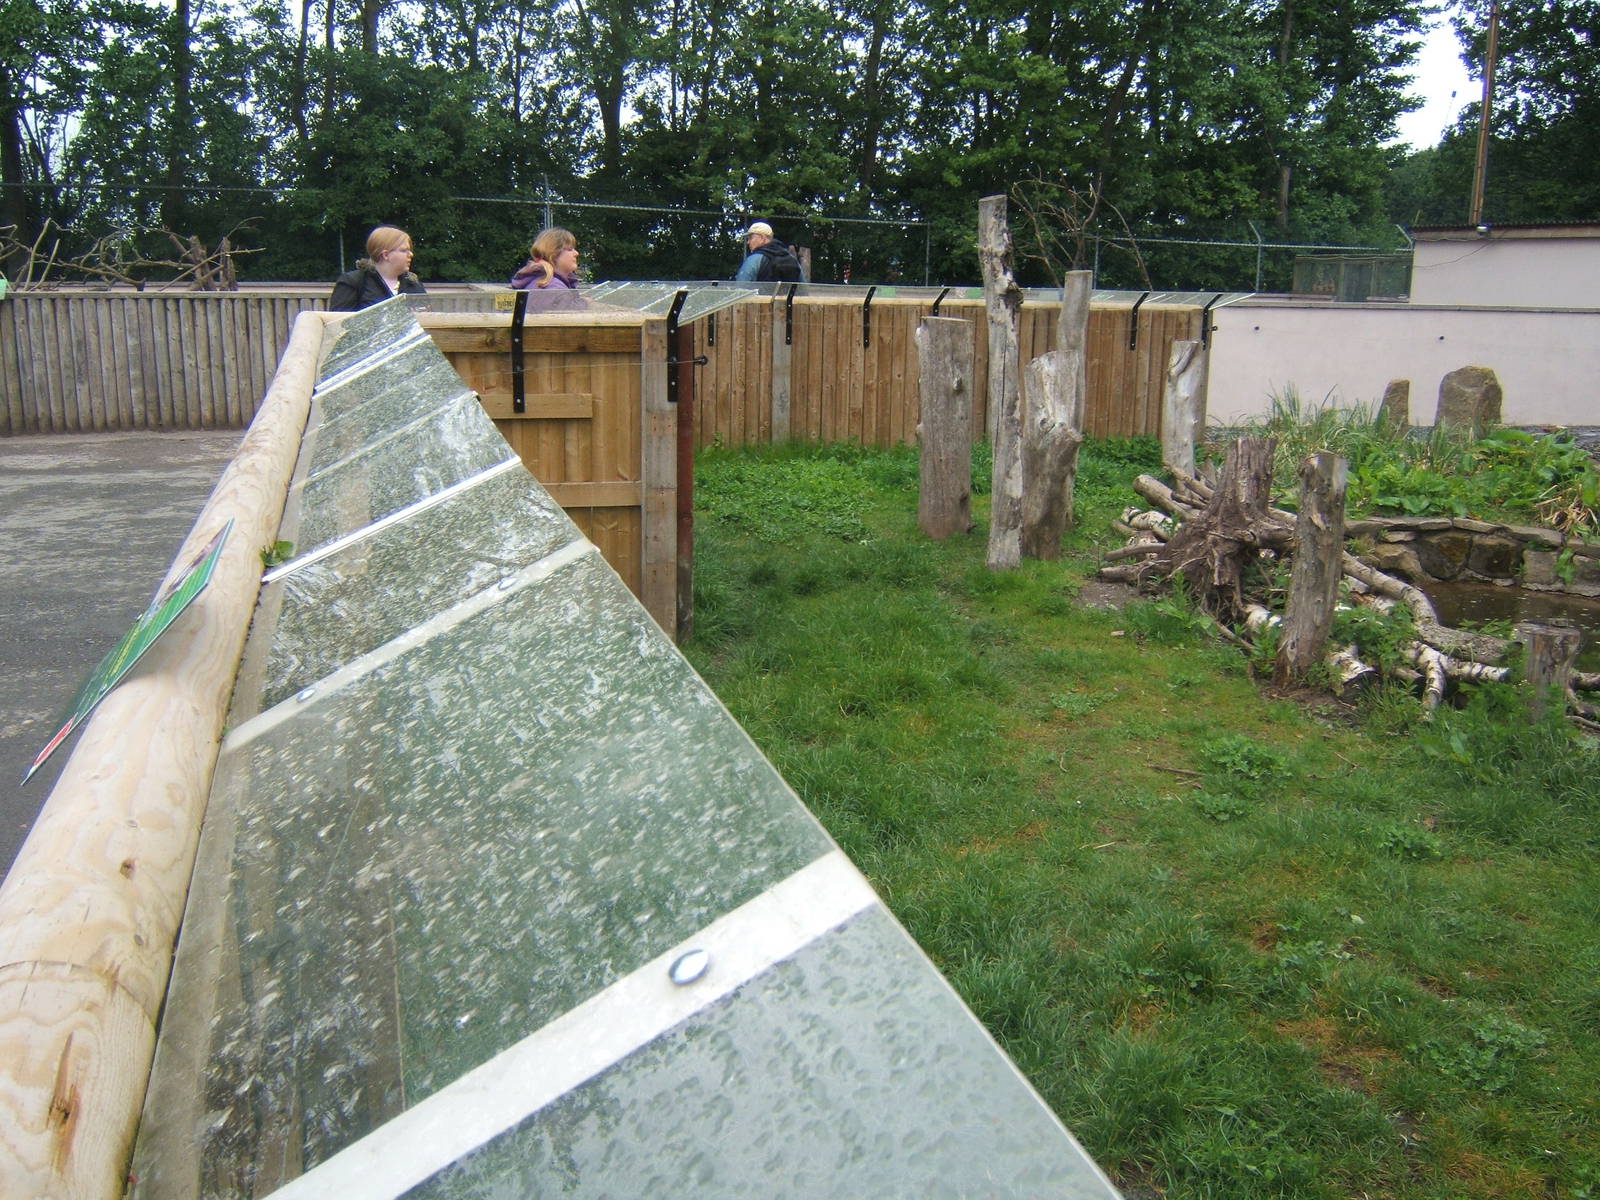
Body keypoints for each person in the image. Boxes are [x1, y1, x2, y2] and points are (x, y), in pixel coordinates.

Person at [328, 225, 426, 311]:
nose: (411, 254)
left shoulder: (413, 283)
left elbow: (427, 322)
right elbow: (338, 324)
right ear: (385, 255)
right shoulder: (353, 282)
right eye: (404, 250)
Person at [509, 227, 581, 292]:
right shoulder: (552, 287)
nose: (576, 253)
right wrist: (586, 304)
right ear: (553, 253)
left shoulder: (545, 281)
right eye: (570, 249)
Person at [735, 221, 803, 283]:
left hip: (761, 296)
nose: (748, 242)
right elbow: (804, 290)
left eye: (750, 238)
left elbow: (741, 288)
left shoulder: (754, 260)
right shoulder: (792, 259)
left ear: (762, 238)